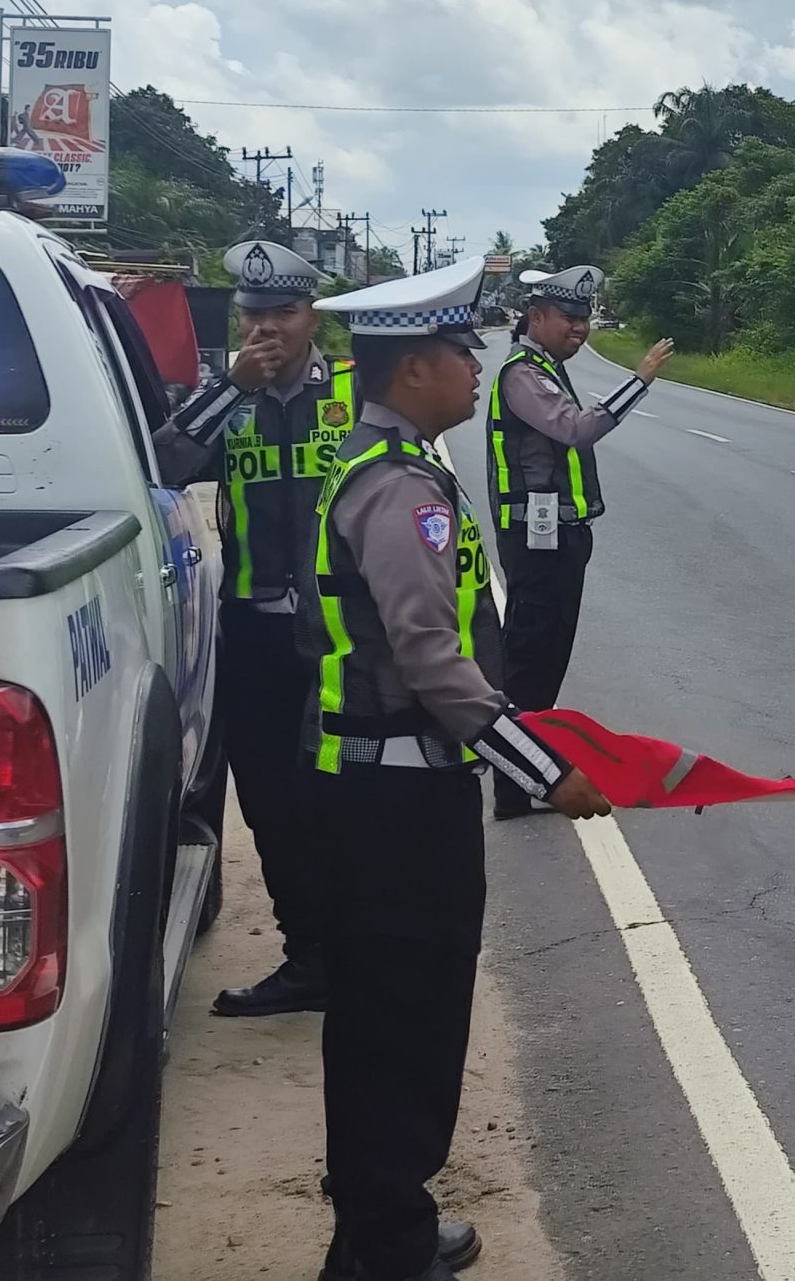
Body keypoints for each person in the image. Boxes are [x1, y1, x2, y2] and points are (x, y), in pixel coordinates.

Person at [305, 258, 612, 1281]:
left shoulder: (384, 465)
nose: (475, 371)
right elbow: (434, 659)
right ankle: (384, 1243)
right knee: (407, 1017)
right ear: (417, 367)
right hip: (399, 795)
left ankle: (375, 1222)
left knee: (384, 1014)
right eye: (461, 354)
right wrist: (540, 768)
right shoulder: (401, 492)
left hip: (378, 785)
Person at [153, 239, 355, 1018]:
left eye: (285, 312)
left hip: (341, 634)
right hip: (256, 635)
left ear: (313, 318)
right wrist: (229, 389)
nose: (268, 327)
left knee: (345, 798)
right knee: (271, 802)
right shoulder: (219, 397)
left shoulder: (350, 390)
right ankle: (307, 957)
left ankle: (359, 953)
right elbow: (163, 468)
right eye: (255, 313)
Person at [482, 264, 672, 820]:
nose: (579, 329)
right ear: (535, 318)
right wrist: (638, 381)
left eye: (584, 319)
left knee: (546, 657)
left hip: (557, 535)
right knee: (530, 660)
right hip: (538, 540)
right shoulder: (524, 374)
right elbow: (577, 429)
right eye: (568, 318)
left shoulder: (545, 367)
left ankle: (525, 778)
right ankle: (515, 784)